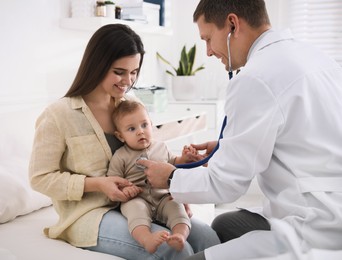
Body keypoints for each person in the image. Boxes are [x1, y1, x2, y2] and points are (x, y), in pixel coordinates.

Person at [137, 0, 342, 259]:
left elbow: (227, 185)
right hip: (331, 205)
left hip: (316, 225)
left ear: (233, 24)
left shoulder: (255, 78)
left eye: (209, 38)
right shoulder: (313, 56)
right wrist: (227, 145)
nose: (209, 51)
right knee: (225, 225)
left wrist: (170, 177)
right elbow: (301, 134)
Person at [29, 23, 220, 260]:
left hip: (144, 200)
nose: (127, 81)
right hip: (90, 214)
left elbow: (150, 152)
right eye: (119, 72)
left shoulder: (129, 103)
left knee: (208, 239)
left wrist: (176, 190)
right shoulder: (59, 114)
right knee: (171, 249)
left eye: (134, 72)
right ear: (97, 64)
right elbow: (40, 178)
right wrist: (98, 184)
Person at [108, 100, 198, 254]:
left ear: (151, 124)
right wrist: (127, 189)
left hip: (163, 197)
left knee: (177, 207)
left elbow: (173, 163)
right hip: (137, 198)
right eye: (131, 129)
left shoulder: (161, 146)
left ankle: (179, 236)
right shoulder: (120, 156)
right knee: (135, 210)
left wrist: (185, 158)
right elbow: (113, 181)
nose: (140, 131)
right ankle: (146, 239)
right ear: (120, 136)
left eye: (144, 125)